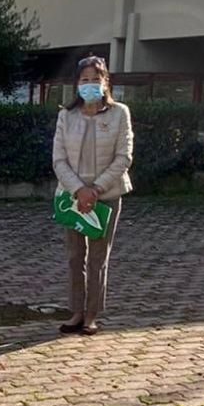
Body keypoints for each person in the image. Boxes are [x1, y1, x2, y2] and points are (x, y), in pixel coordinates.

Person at [51, 56, 133, 336]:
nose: (89, 85)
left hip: (106, 195)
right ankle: (75, 312)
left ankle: (92, 316)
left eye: (95, 79)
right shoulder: (66, 115)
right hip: (72, 196)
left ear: (105, 82)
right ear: (77, 84)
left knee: (98, 258)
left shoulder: (119, 113)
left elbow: (124, 157)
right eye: (84, 80)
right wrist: (79, 189)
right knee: (75, 256)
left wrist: (96, 189)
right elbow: (59, 159)